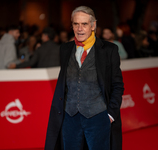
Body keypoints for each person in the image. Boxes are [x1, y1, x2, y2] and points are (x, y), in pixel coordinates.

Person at [45, 6, 124, 150]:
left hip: (98, 117)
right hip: (70, 118)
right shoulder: (65, 49)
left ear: (93, 25)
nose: (79, 28)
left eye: (84, 24)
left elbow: (117, 85)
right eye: (76, 24)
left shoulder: (109, 50)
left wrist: (110, 115)